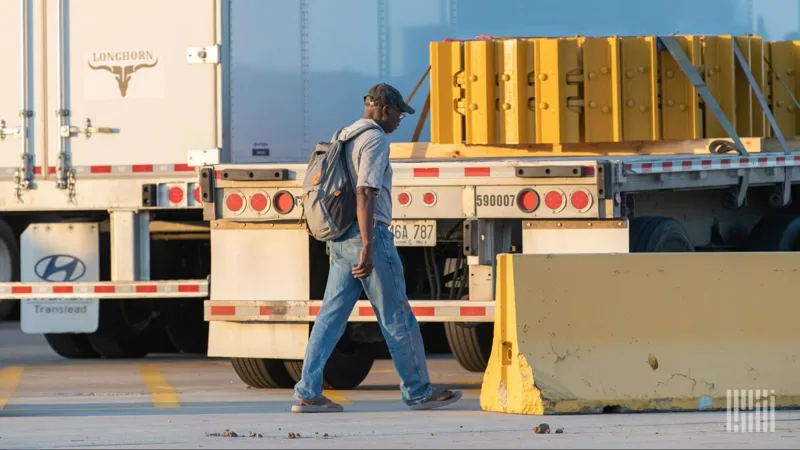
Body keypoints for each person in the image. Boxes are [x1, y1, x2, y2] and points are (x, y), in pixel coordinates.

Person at [291, 83, 463, 413]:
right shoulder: (374, 139)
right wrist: (369, 246)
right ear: (384, 109)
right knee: (397, 316)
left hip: (340, 239)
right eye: (399, 113)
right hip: (367, 237)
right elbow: (365, 191)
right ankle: (418, 390)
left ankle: (308, 391)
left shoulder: (345, 134)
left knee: (330, 318)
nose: (400, 120)